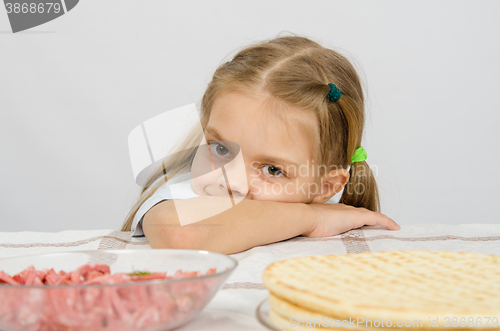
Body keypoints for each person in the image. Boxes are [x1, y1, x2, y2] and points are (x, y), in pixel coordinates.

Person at [121, 35, 400, 255]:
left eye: (272, 169)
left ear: (325, 188)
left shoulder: (340, 228)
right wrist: (311, 217)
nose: (231, 181)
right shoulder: (186, 196)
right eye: (221, 149)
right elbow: (181, 235)